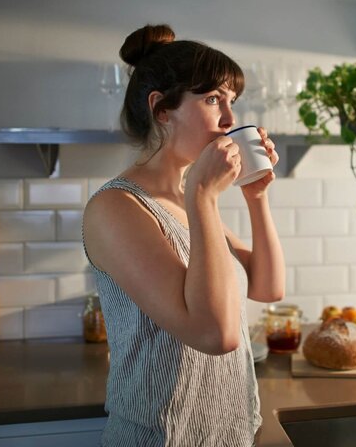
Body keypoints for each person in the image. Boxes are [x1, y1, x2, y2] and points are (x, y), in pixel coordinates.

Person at [82, 24, 285, 446]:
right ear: (161, 109)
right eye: (213, 100)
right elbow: (217, 335)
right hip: (160, 438)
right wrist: (204, 198)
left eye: (232, 101)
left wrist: (256, 196)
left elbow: (268, 287)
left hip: (225, 433)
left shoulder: (185, 198)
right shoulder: (117, 207)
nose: (231, 119)